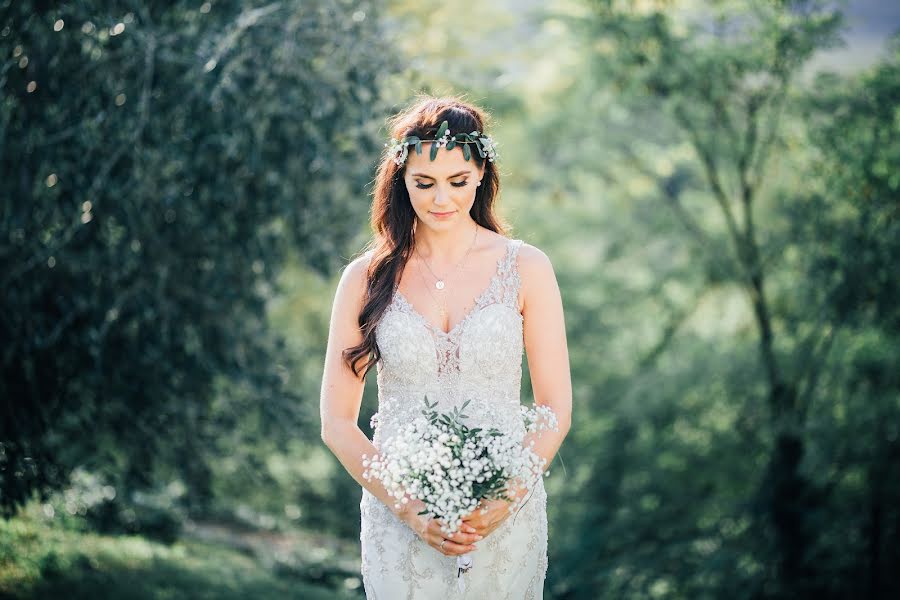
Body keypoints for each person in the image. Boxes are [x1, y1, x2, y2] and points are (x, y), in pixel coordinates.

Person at [320, 95, 572, 598]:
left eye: (457, 182)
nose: (442, 200)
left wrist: (504, 499)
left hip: (504, 516)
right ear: (401, 179)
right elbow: (336, 423)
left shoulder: (526, 268)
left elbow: (555, 408)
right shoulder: (365, 278)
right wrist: (410, 511)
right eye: (424, 183)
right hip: (400, 514)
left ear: (480, 173)